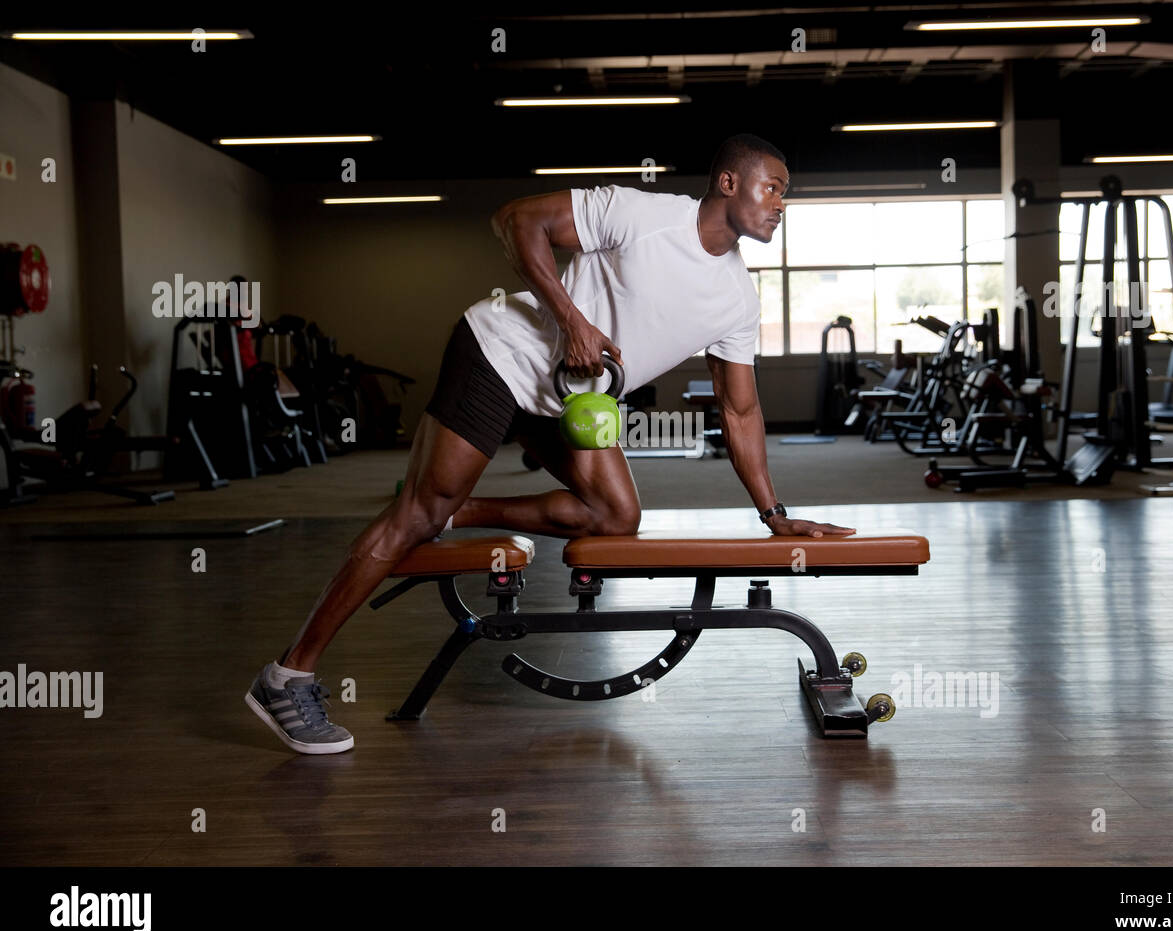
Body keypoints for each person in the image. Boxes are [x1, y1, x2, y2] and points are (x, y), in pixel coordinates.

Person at [245, 133, 855, 754]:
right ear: (729, 183)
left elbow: (740, 409)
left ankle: (465, 510)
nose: (781, 204)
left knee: (614, 516)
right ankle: (287, 675)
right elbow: (515, 219)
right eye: (773, 188)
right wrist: (571, 319)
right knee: (416, 515)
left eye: (785, 194)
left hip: (569, 400)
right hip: (500, 357)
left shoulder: (736, 299)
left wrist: (774, 515)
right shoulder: (643, 215)